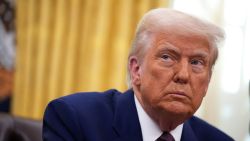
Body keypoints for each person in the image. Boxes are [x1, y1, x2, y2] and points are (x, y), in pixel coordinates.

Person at [42, 8, 234, 141]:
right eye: (167, 57)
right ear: (136, 70)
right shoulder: (75, 119)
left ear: (208, 81)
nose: (183, 75)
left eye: (196, 63)